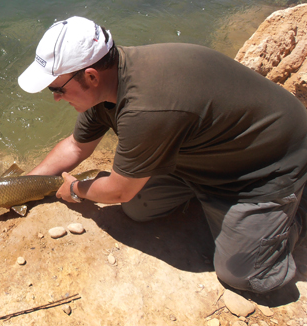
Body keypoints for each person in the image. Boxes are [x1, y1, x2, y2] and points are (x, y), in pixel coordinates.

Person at [17, 16, 307, 293]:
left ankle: (293, 215)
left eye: (56, 88)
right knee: (139, 208)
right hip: (204, 153)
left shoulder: (146, 108)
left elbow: (119, 191)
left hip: (266, 166)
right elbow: (76, 146)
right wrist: (20, 187)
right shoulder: (111, 78)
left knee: (245, 275)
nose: (55, 97)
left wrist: (76, 189)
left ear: (91, 76)